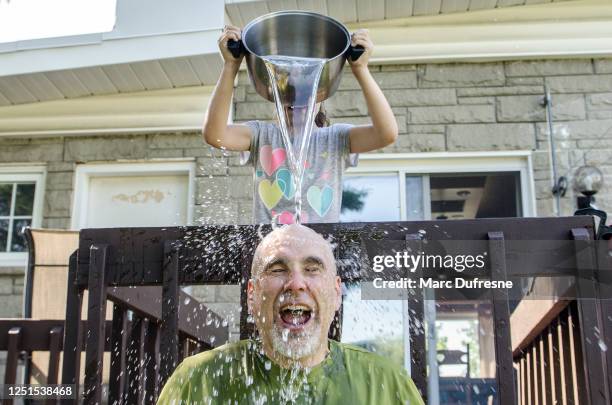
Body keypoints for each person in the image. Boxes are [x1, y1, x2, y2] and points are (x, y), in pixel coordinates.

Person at [157, 225, 424, 404]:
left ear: (336, 293)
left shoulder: (386, 384)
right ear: (252, 295)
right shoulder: (198, 380)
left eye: (312, 269)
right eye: (277, 269)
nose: (296, 283)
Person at [202, 25, 398, 224]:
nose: (297, 101)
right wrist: (230, 66)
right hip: (272, 248)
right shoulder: (262, 135)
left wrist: (360, 69)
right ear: (276, 97)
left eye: (307, 93)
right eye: (289, 93)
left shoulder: (335, 139)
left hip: (320, 248)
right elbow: (215, 135)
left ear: (321, 96)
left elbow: (386, 134)